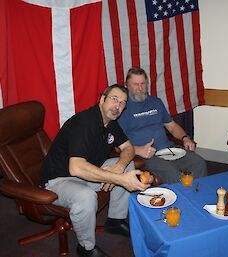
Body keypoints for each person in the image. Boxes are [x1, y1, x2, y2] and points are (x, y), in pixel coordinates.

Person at [40, 84, 149, 257]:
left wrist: (118, 168)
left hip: (88, 171)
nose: (118, 106)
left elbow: (129, 149)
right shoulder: (84, 123)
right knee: (86, 197)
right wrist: (118, 179)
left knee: (127, 164)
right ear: (102, 99)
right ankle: (86, 248)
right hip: (59, 180)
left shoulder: (110, 122)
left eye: (122, 103)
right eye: (114, 99)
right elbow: (76, 168)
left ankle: (115, 220)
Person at [118, 67, 207, 184]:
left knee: (199, 163)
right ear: (127, 85)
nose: (140, 88)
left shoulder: (156, 102)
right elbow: (117, 144)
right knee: (174, 175)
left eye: (143, 84)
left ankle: (197, 194)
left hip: (168, 150)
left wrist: (185, 138)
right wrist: (138, 150)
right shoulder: (122, 108)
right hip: (147, 155)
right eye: (135, 84)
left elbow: (172, 126)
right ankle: (180, 199)